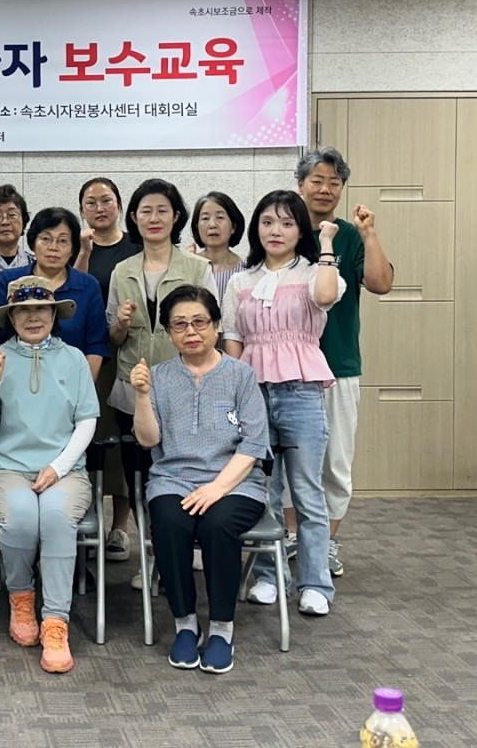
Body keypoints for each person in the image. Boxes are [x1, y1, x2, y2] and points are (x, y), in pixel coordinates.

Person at [129, 286, 270, 674]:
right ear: (168, 333)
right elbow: (148, 440)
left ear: (216, 325)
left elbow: (254, 444)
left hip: (236, 481)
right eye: (179, 325)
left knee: (217, 524)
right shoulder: (158, 377)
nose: (190, 331)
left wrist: (217, 488)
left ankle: (222, 629)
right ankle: (186, 625)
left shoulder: (241, 375)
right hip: (173, 478)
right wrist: (141, 395)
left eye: (199, 322)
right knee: (168, 522)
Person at [222, 190, 345, 617]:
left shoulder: (315, 272)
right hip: (254, 393)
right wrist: (237, 393)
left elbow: (325, 298)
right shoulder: (241, 280)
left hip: (301, 391)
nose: (276, 231)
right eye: (268, 222)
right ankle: (269, 577)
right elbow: (233, 338)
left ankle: (315, 584)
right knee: (263, 491)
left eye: (288, 223)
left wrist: (325, 244)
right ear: (256, 227)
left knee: (307, 492)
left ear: (301, 230)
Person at [0, 276, 99, 673]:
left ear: (53, 314)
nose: (33, 317)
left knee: (58, 518)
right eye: (23, 310)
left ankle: (56, 620)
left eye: (41, 309)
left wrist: (58, 467)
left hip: (66, 470)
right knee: (23, 517)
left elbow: (87, 420)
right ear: (11, 317)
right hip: (7, 468)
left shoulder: (74, 359)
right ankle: (22, 598)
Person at [105, 179, 215, 589]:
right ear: (133, 218)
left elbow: (209, 329)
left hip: (186, 387)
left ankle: (184, 550)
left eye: (162, 210)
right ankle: (152, 555)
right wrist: (120, 322)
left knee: (185, 470)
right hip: (132, 389)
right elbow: (114, 337)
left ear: (176, 217)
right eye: (145, 211)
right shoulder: (122, 271)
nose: (154, 218)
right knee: (141, 475)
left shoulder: (196, 268)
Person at [291, 148, 393, 577]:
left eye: (334, 182)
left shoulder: (350, 235)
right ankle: (293, 540)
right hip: (287, 368)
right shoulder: (284, 228)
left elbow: (381, 284)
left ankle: (326, 543)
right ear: (300, 184)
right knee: (290, 460)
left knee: (335, 461)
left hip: (338, 365)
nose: (325, 189)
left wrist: (370, 235)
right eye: (317, 180)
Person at [74, 177, 141, 561]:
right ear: (82, 209)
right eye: (91, 202)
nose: (99, 208)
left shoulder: (135, 246)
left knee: (124, 439)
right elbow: (74, 288)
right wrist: (83, 251)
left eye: (106, 200)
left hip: (127, 353)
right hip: (88, 355)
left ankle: (119, 527)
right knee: (94, 435)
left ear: (119, 204)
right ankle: (87, 519)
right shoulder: (75, 246)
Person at [0, 207, 108, 380]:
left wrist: (83, 388)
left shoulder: (88, 285)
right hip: (14, 378)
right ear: (33, 242)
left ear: (72, 248)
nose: (53, 247)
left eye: (63, 241)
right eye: (45, 239)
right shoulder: (10, 280)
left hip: (70, 379)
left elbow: (95, 345)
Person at [189, 191, 247, 303]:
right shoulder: (189, 266)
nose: (212, 224)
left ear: (233, 226)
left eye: (220, 217)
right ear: (197, 227)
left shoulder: (246, 271)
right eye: (205, 218)